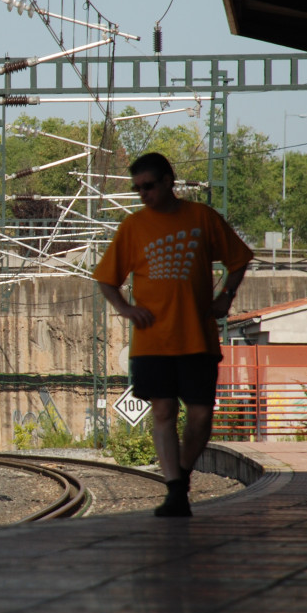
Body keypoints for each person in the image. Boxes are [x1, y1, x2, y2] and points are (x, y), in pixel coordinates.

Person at [94, 152, 252, 517]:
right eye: (137, 189)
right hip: (152, 340)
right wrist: (126, 309)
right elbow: (106, 279)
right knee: (162, 411)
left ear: (169, 181)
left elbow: (239, 258)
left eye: (148, 186)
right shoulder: (133, 227)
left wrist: (225, 295)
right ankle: (176, 488)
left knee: (200, 415)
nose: (143, 194)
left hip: (197, 336)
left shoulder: (202, 218)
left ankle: (180, 474)